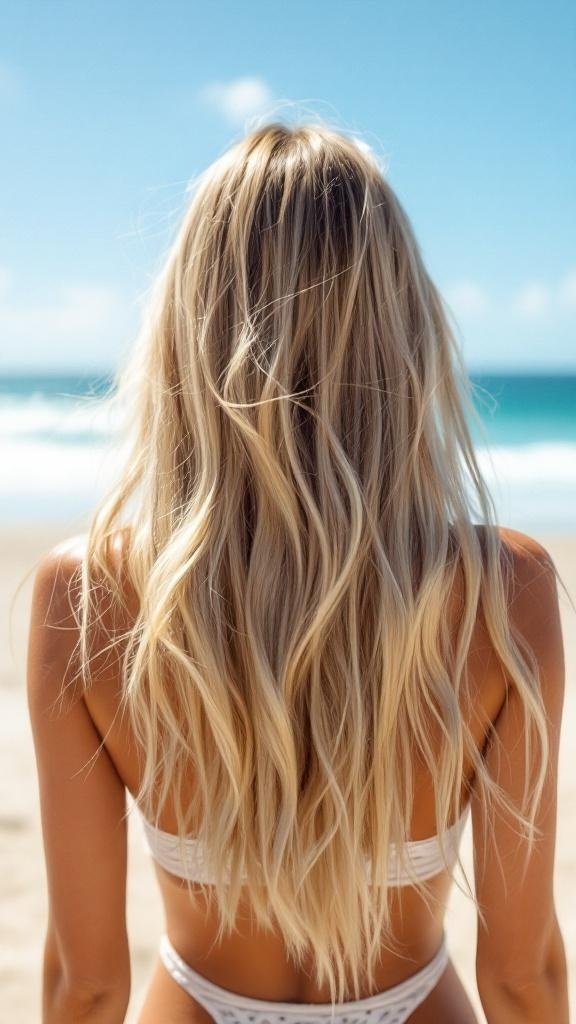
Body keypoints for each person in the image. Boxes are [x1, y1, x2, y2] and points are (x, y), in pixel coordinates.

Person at [27, 121, 569, 1024]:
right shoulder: (504, 589)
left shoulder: (85, 598)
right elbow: (523, 974)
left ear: (187, 327)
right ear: (402, 328)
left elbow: (84, 984)